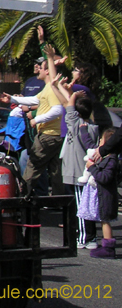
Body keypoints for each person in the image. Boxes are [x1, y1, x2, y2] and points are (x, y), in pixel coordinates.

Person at [0, 44, 65, 196]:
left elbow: (57, 110)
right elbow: (34, 99)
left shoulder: (52, 88)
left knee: (33, 166)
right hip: (54, 135)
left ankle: (24, 197)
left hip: (48, 135)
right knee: (55, 170)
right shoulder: (48, 88)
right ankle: (59, 201)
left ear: (47, 70)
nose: (38, 70)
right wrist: (12, 99)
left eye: (41, 67)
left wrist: (37, 120)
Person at [53, 80, 99, 249]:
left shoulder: (76, 124)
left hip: (78, 173)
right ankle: (87, 236)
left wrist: (73, 93)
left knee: (81, 208)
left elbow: (69, 105)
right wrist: (68, 91)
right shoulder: (91, 125)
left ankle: (85, 238)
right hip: (81, 172)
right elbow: (69, 104)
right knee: (83, 205)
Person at [86, 128, 119, 258]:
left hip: (106, 196)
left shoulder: (111, 160)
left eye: (101, 140)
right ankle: (106, 247)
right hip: (104, 195)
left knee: (105, 221)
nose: (99, 141)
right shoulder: (107, 158)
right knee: (103, 220)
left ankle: (108, 249)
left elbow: (104, 178)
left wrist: (92, 168)